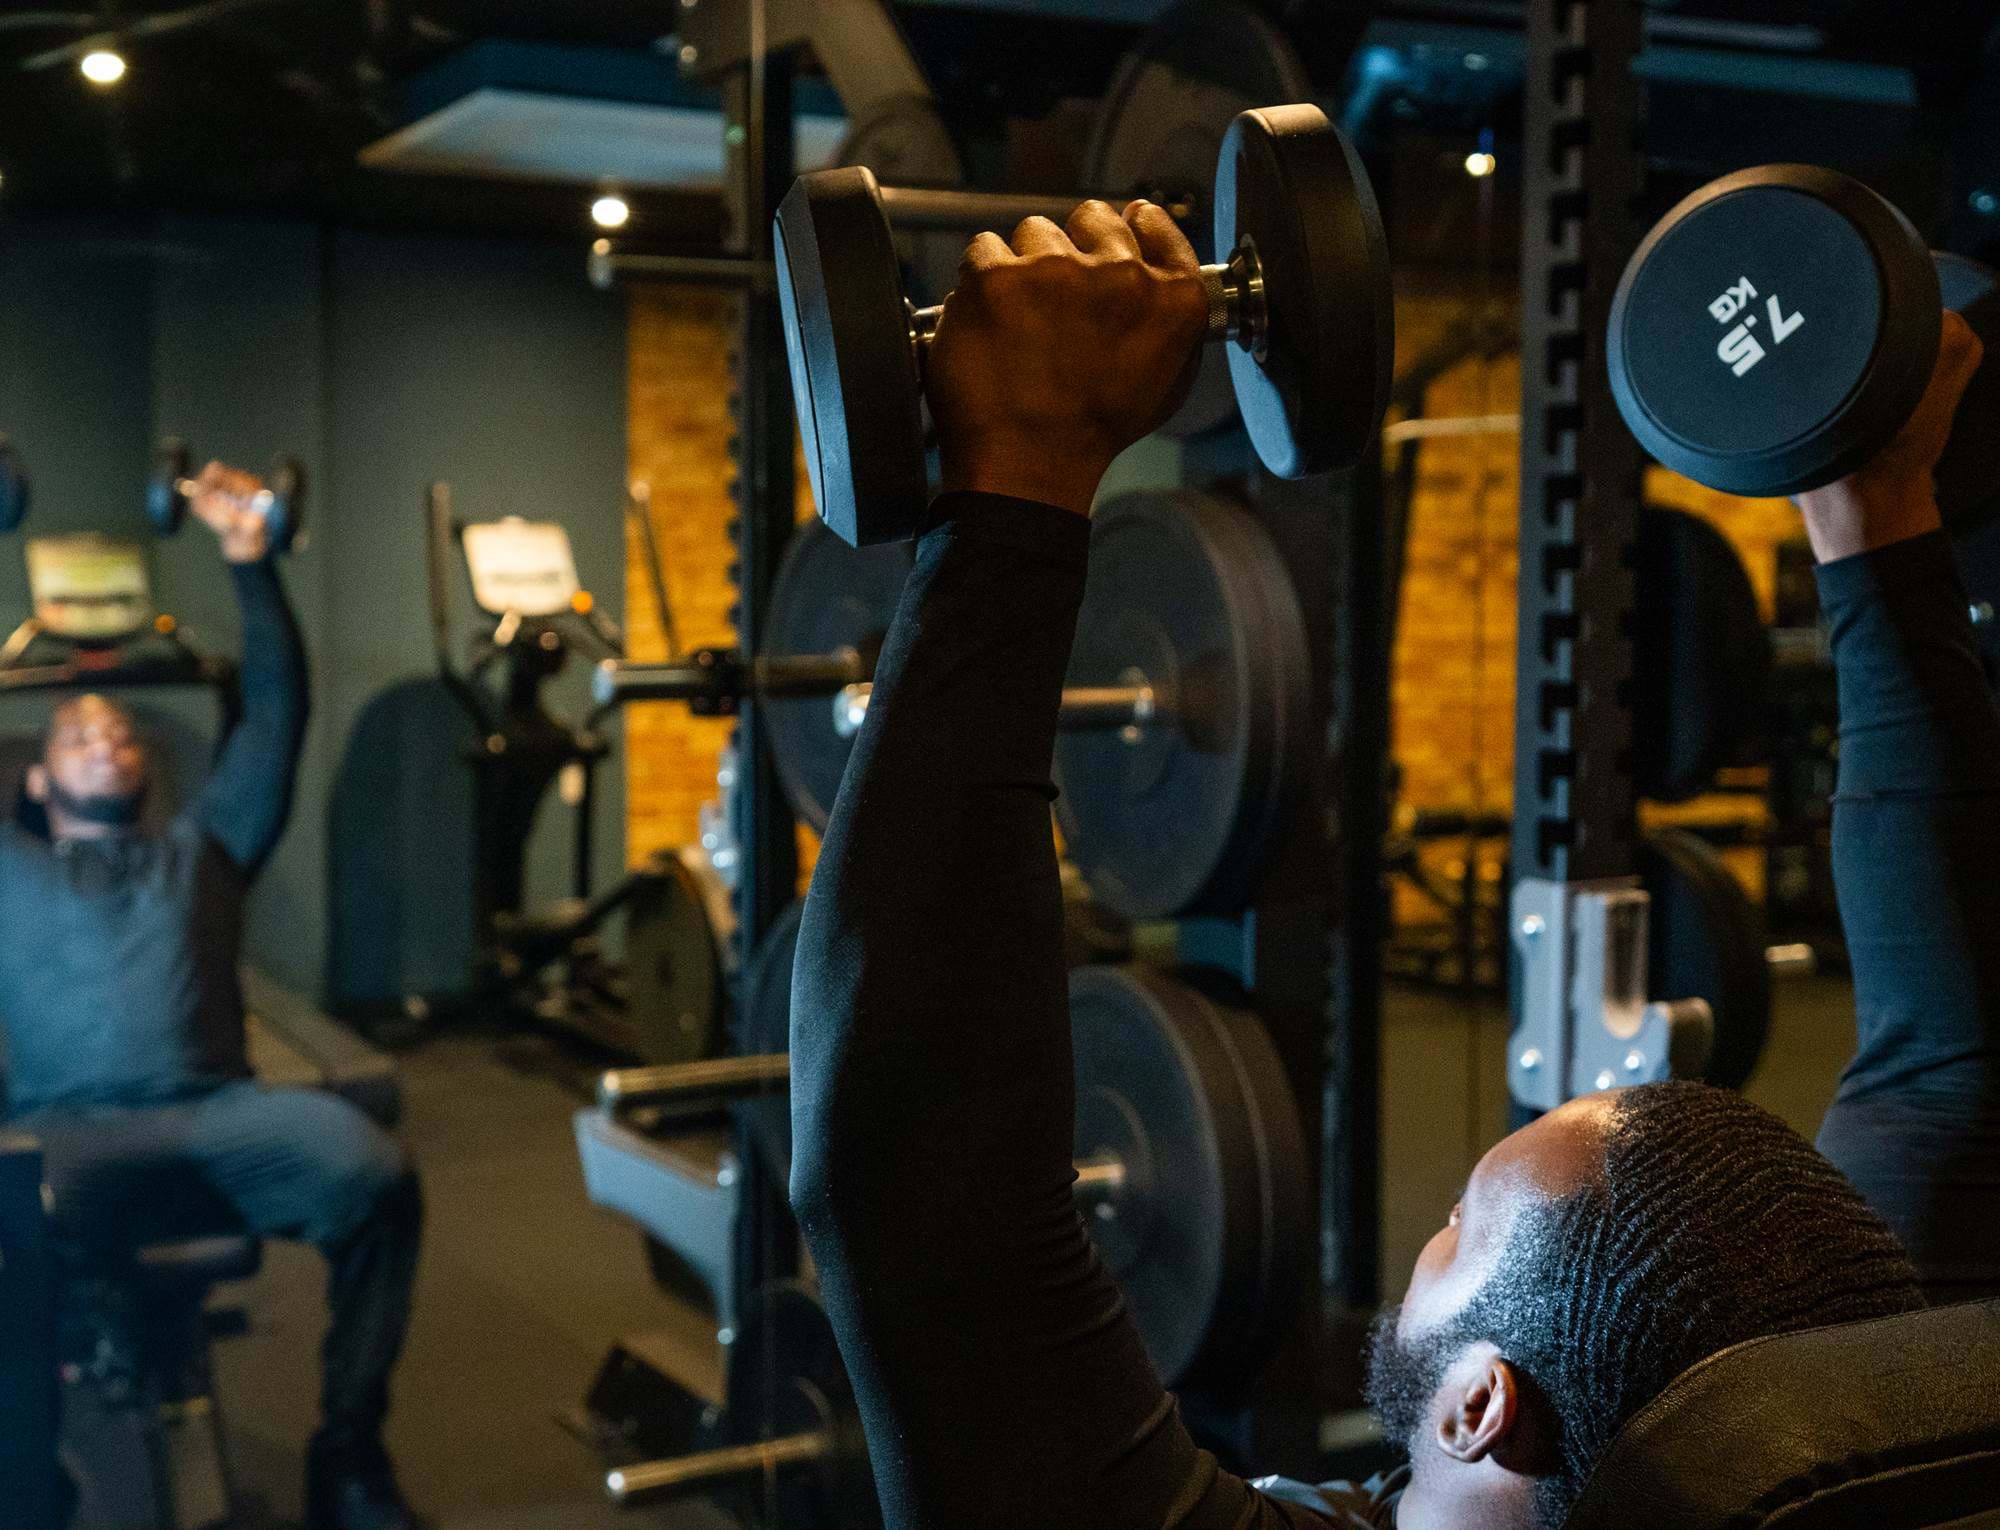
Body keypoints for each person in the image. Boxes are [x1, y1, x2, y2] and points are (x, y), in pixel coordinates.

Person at [787, 195, 1995, 1529]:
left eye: (1460, 1226)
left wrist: (1019, 472)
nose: (1436, 1220)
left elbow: (926, 1185)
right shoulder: (1848, 1448)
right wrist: (1868, 495)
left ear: (1480, 1402)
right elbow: (1951, 1056)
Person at [0, 464, 426, 1530]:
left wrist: (249, 563)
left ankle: (349, 1455)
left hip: (226, 1120)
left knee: (375, 1174)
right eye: (74, 734)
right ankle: (30, 1481)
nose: (103, 736)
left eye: (119, 731)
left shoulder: (207, 848)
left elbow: (276, 712)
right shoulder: (10, 868)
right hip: (64, 1139)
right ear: (37, 784)